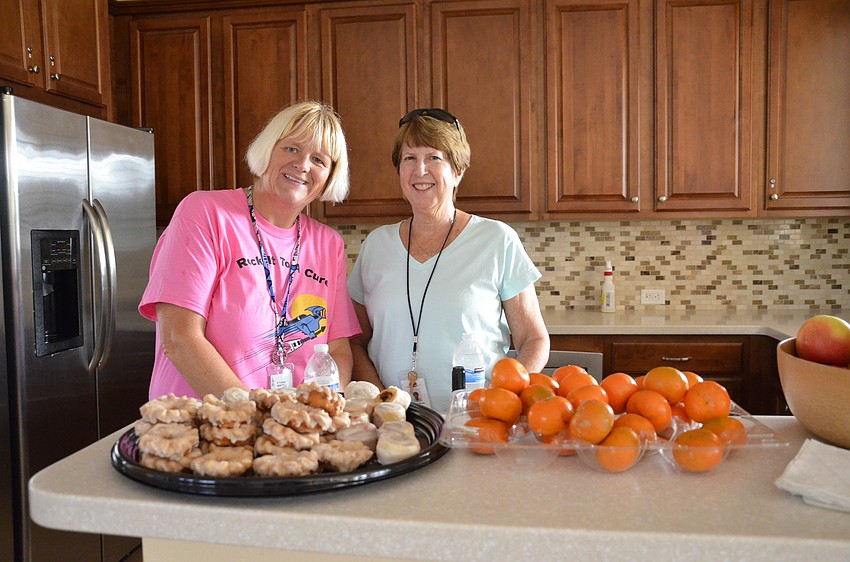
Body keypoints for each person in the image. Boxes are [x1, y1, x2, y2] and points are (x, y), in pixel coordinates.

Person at [139, 101, 361, 400]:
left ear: (330, 176)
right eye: (292, 149)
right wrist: (253, 418)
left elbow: (337, 348)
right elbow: (180, 338)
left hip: (288, 436)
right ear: (268, 149)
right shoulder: (205, 213)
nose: (304, 165)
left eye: (319, 160)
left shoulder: (328, 244)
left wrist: (318, 415)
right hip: (200, 429)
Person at [347, 107, 549, 412]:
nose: (420, 171)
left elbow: (534, 340)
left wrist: (502, 400)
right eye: (409, 159)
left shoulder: (496, 240)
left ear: (458, 171)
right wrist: (380, 403)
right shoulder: (376, 246)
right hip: (395, 425)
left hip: (476, 422)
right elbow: (355, 341)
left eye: (434, 158)